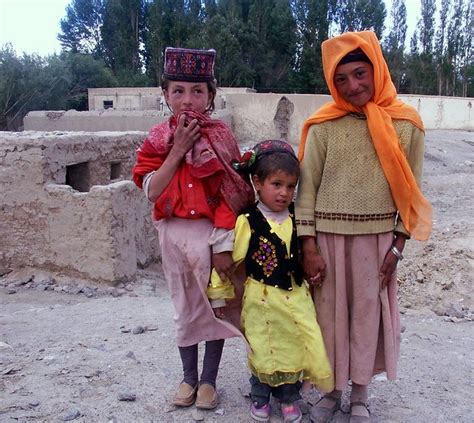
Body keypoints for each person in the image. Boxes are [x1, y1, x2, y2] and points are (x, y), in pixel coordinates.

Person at [295, 31, 432, 422]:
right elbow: (306, 191)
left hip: (376, 244)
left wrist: (397, 248)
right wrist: (309, 247)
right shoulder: (322, 126)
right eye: (341, 79)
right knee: (329, 318)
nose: (352, 85)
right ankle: (329, 392)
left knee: (367, 317)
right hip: (328, 242)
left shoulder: (407, 125)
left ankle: (359, 395)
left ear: (377, 69)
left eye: (360, 73)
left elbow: (412, 193)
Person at [132, 47, 254, 410]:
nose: (188, 100)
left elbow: (231, 193)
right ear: (165, 95)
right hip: (172, 233)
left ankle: (208, 382)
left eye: (198, 91)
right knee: (184, 307)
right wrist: (178, 149)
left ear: (211, 96)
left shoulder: (221, 136)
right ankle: (187, 377)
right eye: (178, 91)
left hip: (210, 235)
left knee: (214, 306)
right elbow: (151, 190)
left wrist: (222, 245)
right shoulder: (157, 139)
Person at [208, 140, 334, 422]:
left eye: (290, 187)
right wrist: (219, 294)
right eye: (276, 184)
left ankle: (289, 397)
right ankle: (260, 395)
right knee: (264, 348)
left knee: (293, 345)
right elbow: (228, 264)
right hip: (261, 301)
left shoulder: (298, 219)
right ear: (257, 182)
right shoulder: (248, 222)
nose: (283, 193)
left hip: (296, 297)